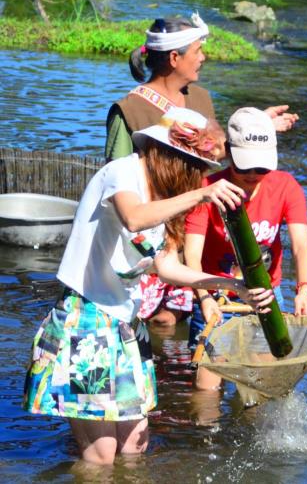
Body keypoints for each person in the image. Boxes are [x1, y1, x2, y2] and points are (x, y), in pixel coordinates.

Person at [22, 108, 274, 465]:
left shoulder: (165, 200)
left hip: (127, 326)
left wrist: (233, 285)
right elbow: (134, 216)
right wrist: (201, 196)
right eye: (195, 168)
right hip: (87, 322)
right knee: (101, 456)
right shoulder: (121, 172)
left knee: (135, 447)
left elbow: (168, 268)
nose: (198, 178)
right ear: (172, 158)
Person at [105, 14, 298, 326]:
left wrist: (260, 127)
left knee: (175, 318)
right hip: (150, 233)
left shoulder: (199, 98)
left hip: (189, 233)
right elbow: (117, 179)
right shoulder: (130, 109)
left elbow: (217, 150)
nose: (204, 58)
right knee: (145, 318)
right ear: (174, 57)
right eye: (197, 51)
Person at [184, 107, 307, 391]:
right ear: (228, 152)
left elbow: (301, 245)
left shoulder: (286, 187)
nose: (254, 175)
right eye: (245, 166)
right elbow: (191, 254)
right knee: (206, 389)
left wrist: (303, 289)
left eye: (262, 167)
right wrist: (203, 298)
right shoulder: (207, 190)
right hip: (217, 298)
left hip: (265, 296)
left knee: (261, 387)